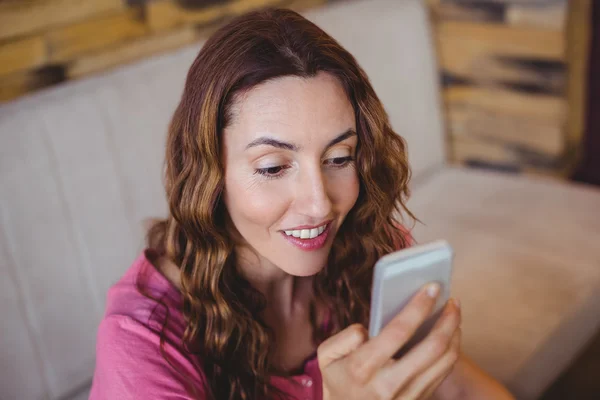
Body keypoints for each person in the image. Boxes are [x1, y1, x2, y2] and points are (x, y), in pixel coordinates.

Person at [89, 7, 515, 400]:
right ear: (209, 173)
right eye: (273, 167)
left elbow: (461, 390)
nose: (319, 205)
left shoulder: (371, 248)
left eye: (338, 158)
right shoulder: (141, 340)